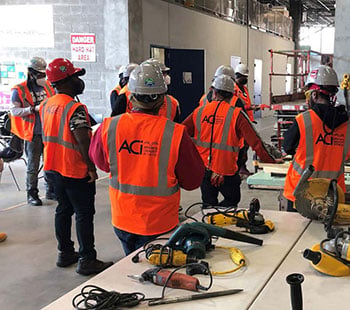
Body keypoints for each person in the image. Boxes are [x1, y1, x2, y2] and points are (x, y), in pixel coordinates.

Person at [89, 62, 204, 255]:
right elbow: (192, 180)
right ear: (162, 100)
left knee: (132, 263)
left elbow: (101, 163)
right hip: (160, 223)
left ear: (131, 96)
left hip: (123, 219)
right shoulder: (175, 133)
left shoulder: (110, 127)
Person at [41, 58, 113, 275]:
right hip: (73, 169)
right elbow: (82, 139)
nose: (79, 81)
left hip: (53, 168)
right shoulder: (74, 107)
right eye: (75, 77)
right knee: (83, 213)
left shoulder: (46, 104)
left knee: (63, 210)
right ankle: (87, 258)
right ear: (65, 80)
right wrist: (91, 166)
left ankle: (65, 253)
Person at [183, 74, 278, 207]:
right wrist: (271, 161)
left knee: (208, 204)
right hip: (227, 170)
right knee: (232, 201)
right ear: (233, 95)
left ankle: (209, 222)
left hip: (204, 169)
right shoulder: (237, 115)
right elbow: (255, 142)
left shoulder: (199, 112)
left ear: (214, 92)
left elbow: (181, 134)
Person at [283, 65, 350, 212]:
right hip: (332, 193)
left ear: (314, 95)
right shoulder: (347, 124)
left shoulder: (303, 120)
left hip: (300, 192)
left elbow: (287, 147)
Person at [10, 57, 56, 205]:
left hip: (48, 131)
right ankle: (32, 194)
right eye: (40, 75)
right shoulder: (19, 90)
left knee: (50, 162)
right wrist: (32, 109)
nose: (43, 78)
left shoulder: (48, 86)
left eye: (44, 75)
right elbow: (14, 111)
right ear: (31, 73)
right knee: (33, 165)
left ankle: (50, 190)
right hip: (33, 133)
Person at [234, 63, 258, 176]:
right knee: (241, 146)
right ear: (238, 75)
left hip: (248, 120)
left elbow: (246, 103)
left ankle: (242, 167)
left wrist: (251, 108)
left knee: (246, 145)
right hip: (240, 121)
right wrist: (250, 107)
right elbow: (237, 105)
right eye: (244, 77)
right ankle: (240, 167)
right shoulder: (234, 89)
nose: (246, 79)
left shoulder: (244, 89)